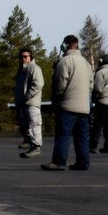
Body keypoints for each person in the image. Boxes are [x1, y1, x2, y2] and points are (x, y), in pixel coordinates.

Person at [42, 35, 91, 171]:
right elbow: (91, 85)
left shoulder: (65, 62)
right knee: (82, 137)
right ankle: (83, 162)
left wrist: (56, 99)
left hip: (67, 106)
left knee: (63, 135)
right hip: (83, 107)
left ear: (65, 45)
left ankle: (59, 161)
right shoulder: (86, 63)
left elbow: (59, 85)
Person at [14, 48, 44, 159]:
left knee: (34, 125)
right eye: (21, 57)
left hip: (32, 103)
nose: (23, 59)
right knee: (26, 126)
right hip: (23, 104)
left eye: (26, 57)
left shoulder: (34, 68)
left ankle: (36, 147)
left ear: (30, 57)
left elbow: (38, 85)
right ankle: (29, 143)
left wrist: (27, 96)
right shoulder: (21, 71)